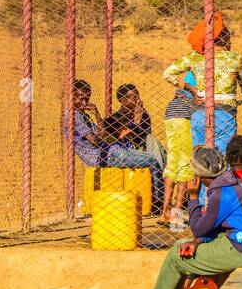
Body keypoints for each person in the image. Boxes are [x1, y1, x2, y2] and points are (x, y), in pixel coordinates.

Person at [117, 138, 242, 289]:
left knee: (175, 256)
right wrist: (198, 241)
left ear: (199, 175)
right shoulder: (231, 183)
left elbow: (199, 228)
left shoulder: (221, 193)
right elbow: (210, 230)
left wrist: (192, 198)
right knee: (182, 246)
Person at [163, 19, 242, 155]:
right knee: (223, 156)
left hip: (200, 113)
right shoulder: (234, 58)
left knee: (200, 157)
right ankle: (222, 176)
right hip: (225, 114)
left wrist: (191, 89)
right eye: (227, 33)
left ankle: (200, 175)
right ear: (222, 37)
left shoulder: (195, 57)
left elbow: (167, 74)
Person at [102, 83, 163, 212]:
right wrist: (136, 120)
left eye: (137, 96)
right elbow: (124, 138)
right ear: (123, 101)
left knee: (154, 143)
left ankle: (159, 194)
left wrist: (139, 119)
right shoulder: (117, 117)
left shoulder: (143, 113)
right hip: (126, 151)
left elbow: (143, 136)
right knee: (153, 146)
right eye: (132, 97)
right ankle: (158, 199)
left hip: (142, 148)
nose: (136, 99)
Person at [162, 70, 197, 230]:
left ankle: (165, 213)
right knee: (185, 163)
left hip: (171, 110)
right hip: (185, 112)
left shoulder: (189, 73)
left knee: (172, 161)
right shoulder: (204, 72)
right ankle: (176, 216)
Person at [69, 79, 112, 167]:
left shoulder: (83, 116)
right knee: (147, 159)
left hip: (105, 154)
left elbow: (103, 135)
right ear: (72, 97)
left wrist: (97, 115)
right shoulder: (74, 115)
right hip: (100, 157)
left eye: (87, 99)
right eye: (81, 99)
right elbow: (96, 141)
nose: (84, 103)